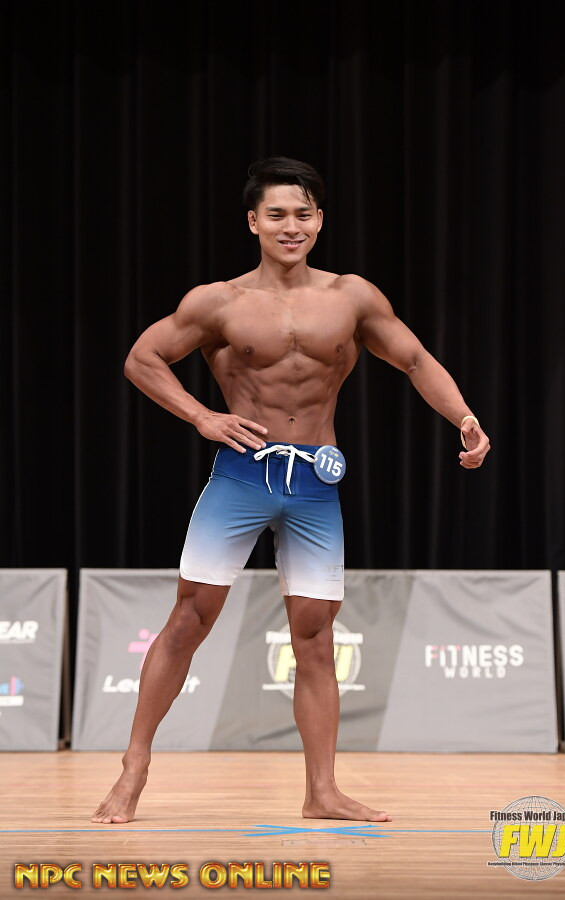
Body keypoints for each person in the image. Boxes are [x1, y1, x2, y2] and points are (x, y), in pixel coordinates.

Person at [92, 156, 490, 825]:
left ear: (320, 220)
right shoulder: (218, 301)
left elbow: (416, 359)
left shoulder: (351, 297)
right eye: (276, 214)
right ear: (253, 222)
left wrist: (465, 418)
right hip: (242, 476)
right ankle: (134, 767)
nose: (291, 226)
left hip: (313, 485)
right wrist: (202, 416)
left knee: (315, 635)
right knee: (189, 620)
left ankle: (322, 791)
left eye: (303, 213)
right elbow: (142, 357)